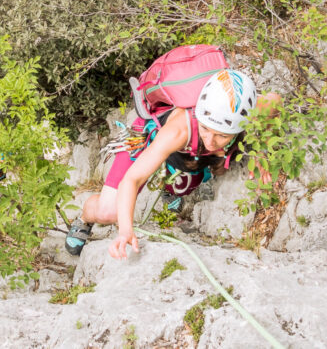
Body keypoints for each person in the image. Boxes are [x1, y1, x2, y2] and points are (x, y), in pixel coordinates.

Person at [64, 69, 281, 259]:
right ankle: (84, 218)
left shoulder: (247, 111)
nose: (211, 141)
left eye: (222, 136)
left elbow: (275, 101)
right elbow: (132, 178)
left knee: (188, 179)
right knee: (108, 212)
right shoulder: (178, 130)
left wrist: (261, 150)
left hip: (189, 156)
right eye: (206, 129)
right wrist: (125, 230)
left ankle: (170, 188)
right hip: (151, 136)